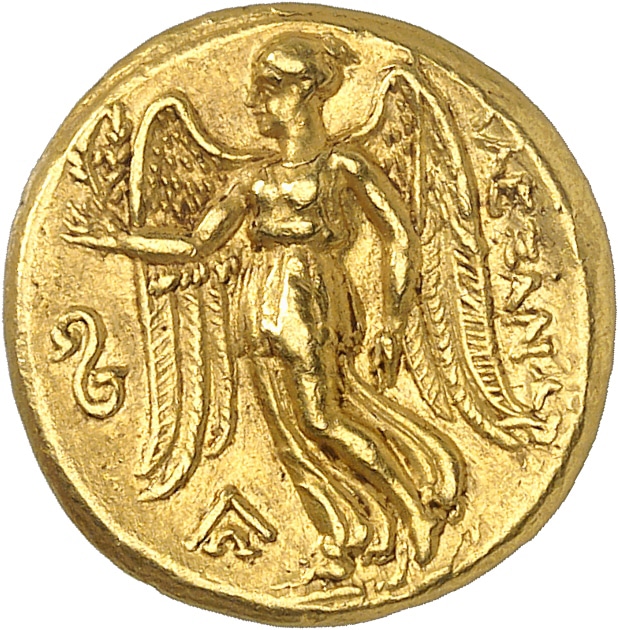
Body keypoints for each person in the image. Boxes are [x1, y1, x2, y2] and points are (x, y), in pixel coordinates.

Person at [69, 33, 465, 583]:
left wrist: (392, 325)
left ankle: (413, 511)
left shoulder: (342, 167)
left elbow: (400, 238)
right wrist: (119, 241)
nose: (254, 102)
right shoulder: (254, 178)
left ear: (305, 91)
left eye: (268, 88)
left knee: (321, 418)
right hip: (259, 299)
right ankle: (344, 538)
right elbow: (195, 245)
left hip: (310, 292)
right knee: (288, 433)